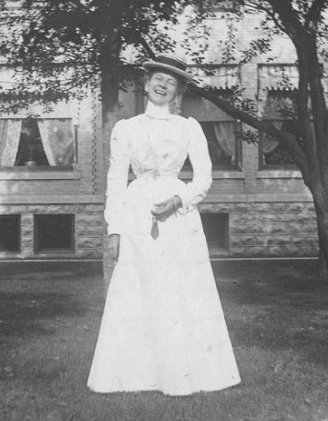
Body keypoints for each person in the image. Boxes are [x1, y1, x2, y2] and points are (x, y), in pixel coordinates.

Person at [87, 53, 241, 396]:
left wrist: (180, 200)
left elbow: (203, 178)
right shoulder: (126, 128)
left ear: (177, 90)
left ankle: (183, 373)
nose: (162, 84)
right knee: (139, 287)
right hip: (137, 210)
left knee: (178, 288)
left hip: (177, 215)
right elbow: (115, 180)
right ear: (146, 83)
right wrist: (114, 228)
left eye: (170, 81)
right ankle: (138, 374)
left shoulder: (189, 128)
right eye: (157, 78)